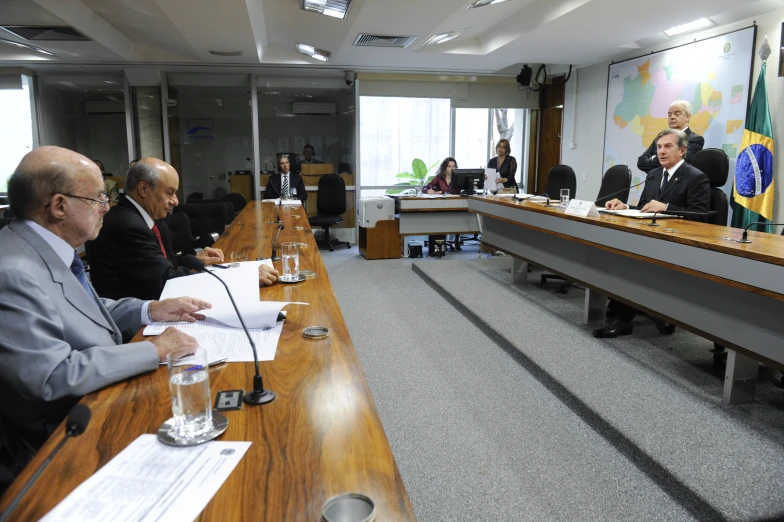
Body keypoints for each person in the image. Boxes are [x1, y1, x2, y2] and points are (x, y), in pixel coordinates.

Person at [0, 146, 209, 490]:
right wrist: (155, 350)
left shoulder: (44, 247)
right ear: (59, 206)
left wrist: (151, 309)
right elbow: (53, 375)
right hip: (67, 434)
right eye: (98, 198)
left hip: (101, 389)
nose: (107, 207)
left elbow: (86, 308)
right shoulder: (14, 271)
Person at [87, 159, 281, 300]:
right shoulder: (125, 225)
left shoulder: (147, 218)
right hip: (137, 327)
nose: (176, 201)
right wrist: (243, 278)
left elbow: (160, 263)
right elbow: (169, 281)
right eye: (169, 192)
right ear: (143, 189)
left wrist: (196, 259)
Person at [594, 129, 710, 339]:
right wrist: (624, 205)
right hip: (649, 237)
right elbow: (644, 209)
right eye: (658, 147)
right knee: (618, 254)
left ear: (683, 150)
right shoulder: (653, 174)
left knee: (631, 262)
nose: (661, 152)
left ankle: (620, 317)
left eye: (668, 147)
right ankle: (619, 311)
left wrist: (667, 207)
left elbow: (701, 216)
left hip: (676, 244)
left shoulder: (696, 177)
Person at [637, 100, 704, 173]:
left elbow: (679, 164)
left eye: (677, 114)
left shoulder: (695, 139)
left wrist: (654, 160)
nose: (672, 117)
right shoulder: (660, 137)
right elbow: (641, 162)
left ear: (687, 117)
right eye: (669, 114)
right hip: (657, 182)